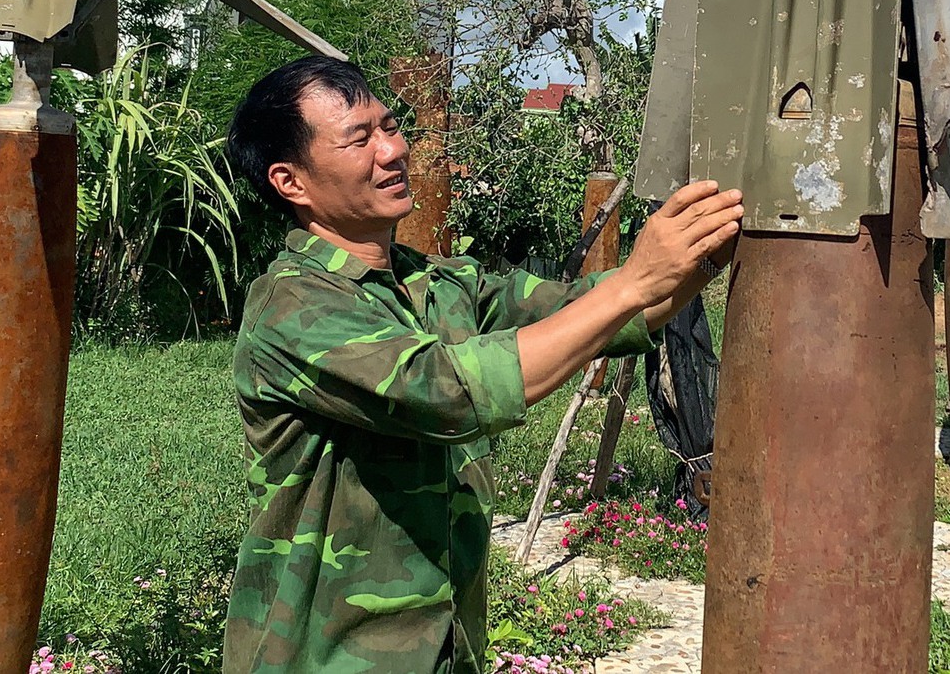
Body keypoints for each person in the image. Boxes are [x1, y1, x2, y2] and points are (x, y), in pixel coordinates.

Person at [220, 56, 742, 673]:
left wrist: (700, 256)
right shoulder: (292, 306)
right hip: (324, 655)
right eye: (358, 139)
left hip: (447, 647)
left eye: (390, 126)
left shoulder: (439, 284)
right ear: (291, 182)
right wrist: (631, 284)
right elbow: (447, 391)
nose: (391, 150)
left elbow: (587, 315)